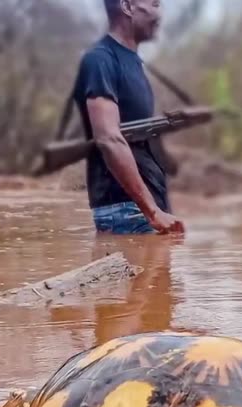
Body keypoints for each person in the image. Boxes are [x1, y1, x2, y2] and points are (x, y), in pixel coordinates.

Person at [71, 0, 184, 235]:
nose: (159, 14)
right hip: (128, 212)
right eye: (153, 4)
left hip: (142, 210)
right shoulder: (101, 60)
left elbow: (135, 138)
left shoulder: (132, 61)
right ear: (127, 6)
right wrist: (152, 212)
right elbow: (108, 139)